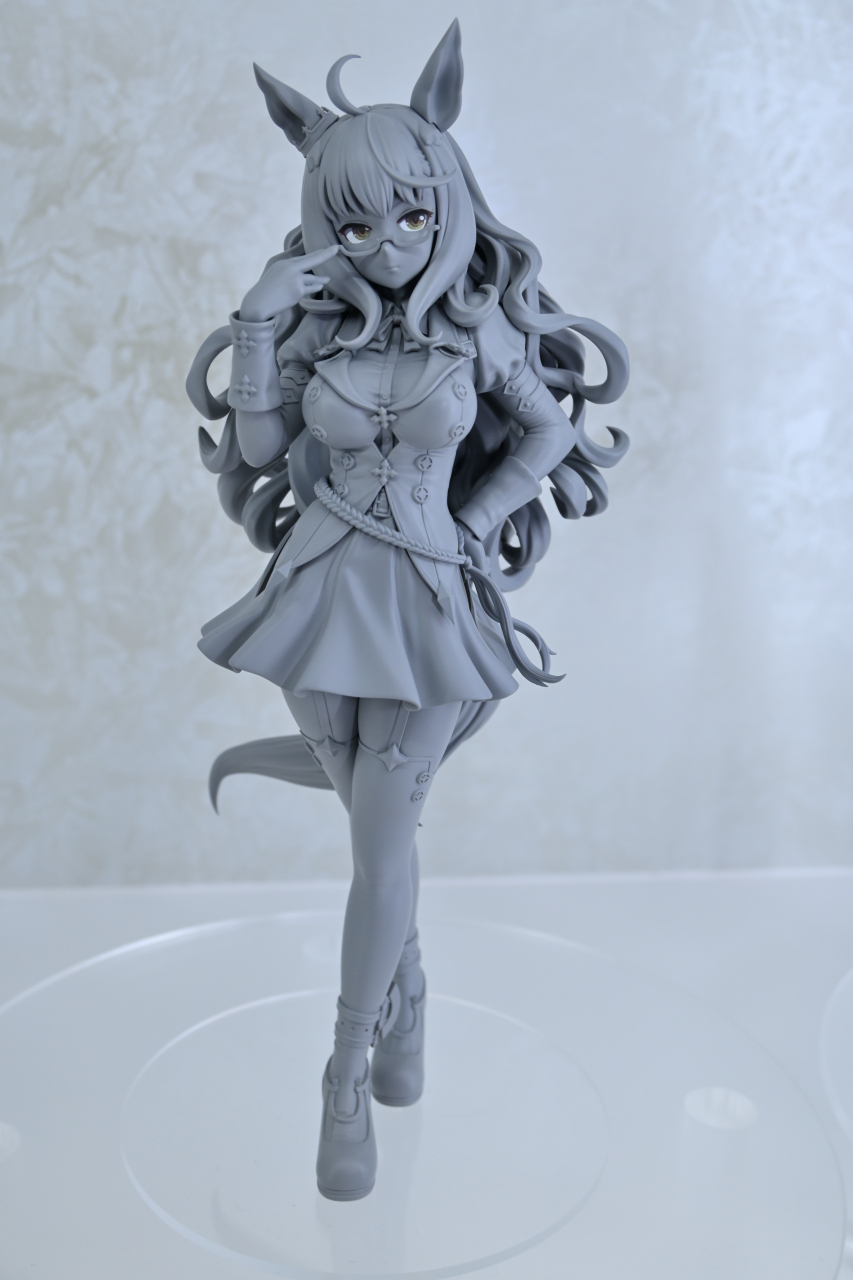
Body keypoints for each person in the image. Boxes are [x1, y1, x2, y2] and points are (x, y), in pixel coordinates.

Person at [186, 20, 628, 1201]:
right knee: (377, 839)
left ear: (445, 203)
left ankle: (344, 1070)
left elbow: (548, 428)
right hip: (314, 598)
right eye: (353, 225)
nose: (383, 244)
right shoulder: (316, 329)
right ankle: (411, 993)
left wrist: (478, 519)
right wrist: (260, 319)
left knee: (380, 848)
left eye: (408, 216)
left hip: (431, 602)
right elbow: (260, 448)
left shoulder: (478, 331)